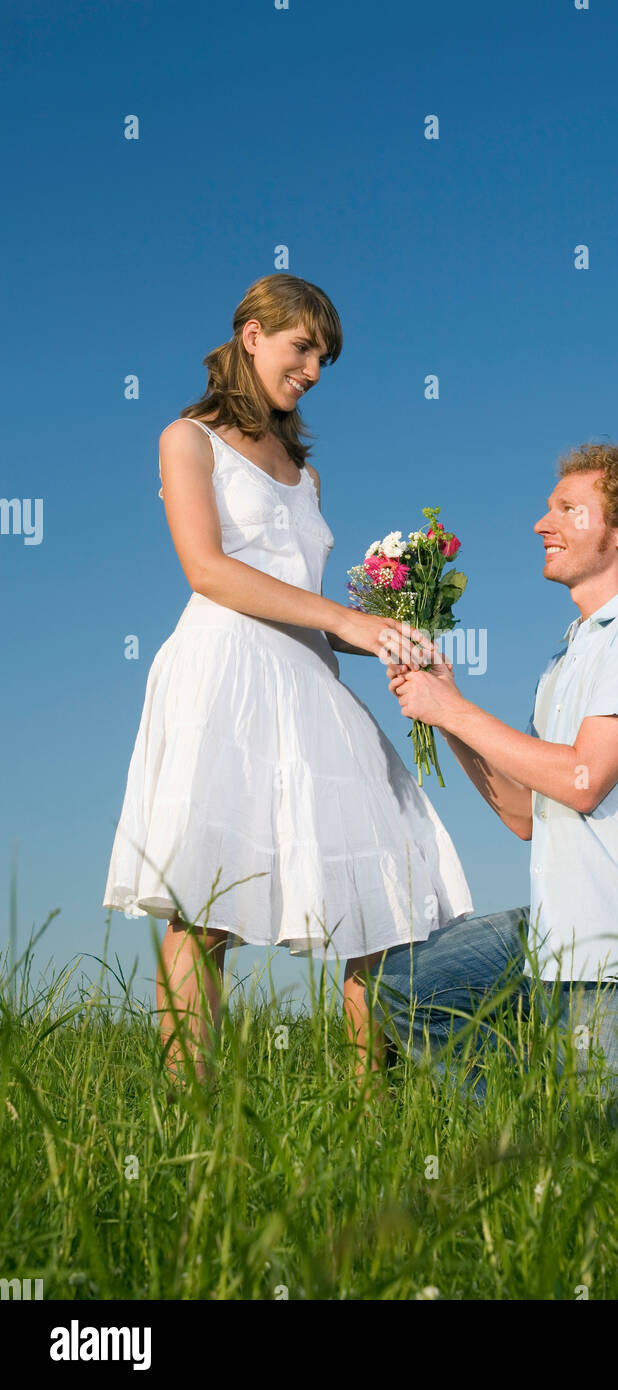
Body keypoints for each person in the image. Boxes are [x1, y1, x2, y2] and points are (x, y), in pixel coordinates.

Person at [102, 273, 472, 1085]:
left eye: (322, 359)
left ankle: (368, 1106)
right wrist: (348, 620)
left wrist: (382, 641)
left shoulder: (304, 472)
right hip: (222, 675)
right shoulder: (186, 439)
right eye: (302, 348)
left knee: (385, 885)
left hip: (306, 677)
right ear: (251, 336)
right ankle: (188, 1113)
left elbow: (299, 606)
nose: (311, 369)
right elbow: (207, 569)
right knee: (204, 905)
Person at [371, 442, 618, 1112]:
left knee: (604, 1179)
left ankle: (547, 1137)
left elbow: (585, 777)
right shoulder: (566, 657)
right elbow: (526, 813)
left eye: (565, 508)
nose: (541, 523)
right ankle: (520, 1115)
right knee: (404, 984)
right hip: (559, 935)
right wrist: (445, 712)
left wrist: (457, 710)